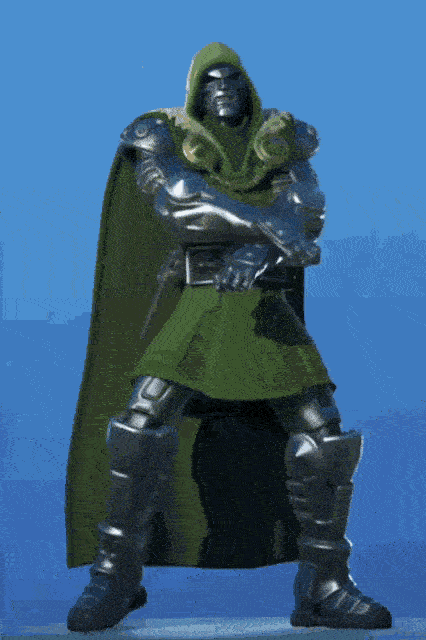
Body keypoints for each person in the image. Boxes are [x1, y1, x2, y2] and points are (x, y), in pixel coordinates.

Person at [66, 42, 392, 632]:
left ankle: (324, 584)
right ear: (197, 89)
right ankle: (115, 577)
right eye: (212, 82)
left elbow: (308, 212)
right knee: (141, 425)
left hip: (264, 305)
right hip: (200, 301)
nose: (223, 90)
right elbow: (179, 206)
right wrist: (264, 224)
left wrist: (260, 252)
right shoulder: (164, 135)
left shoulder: (282, 139)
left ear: (249, 90)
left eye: (233, 81)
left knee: (323, 434)